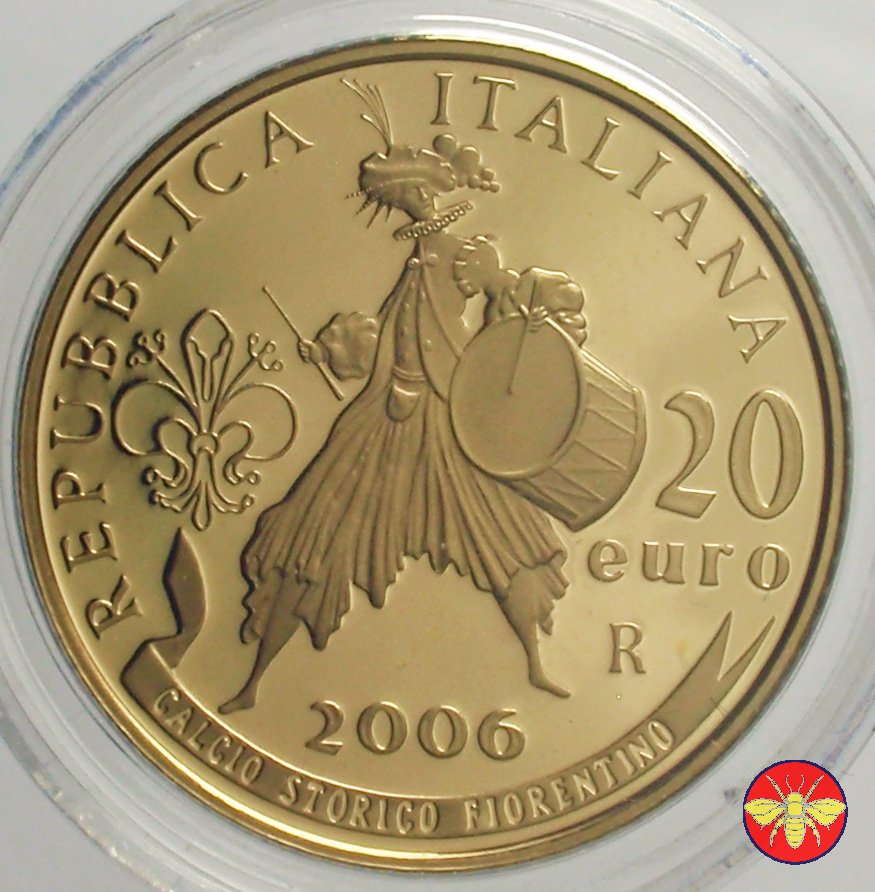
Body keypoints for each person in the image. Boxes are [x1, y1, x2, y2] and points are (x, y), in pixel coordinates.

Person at [219, 93, 581, 715]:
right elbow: (390, 342)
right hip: (384, 415)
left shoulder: (464, 251)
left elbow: (504, 322)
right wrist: (329, 355)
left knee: (506, 537)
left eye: (400, 191)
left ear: (424, 191)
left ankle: (536, 664)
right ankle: (254, 680)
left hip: (447, 419)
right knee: (309, 535)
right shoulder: (415, 257)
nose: (396, 201)